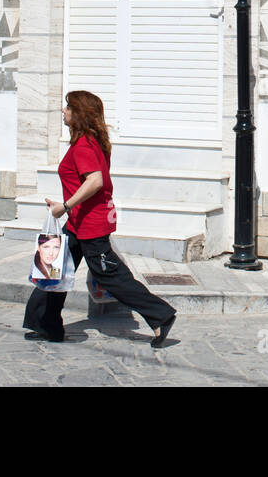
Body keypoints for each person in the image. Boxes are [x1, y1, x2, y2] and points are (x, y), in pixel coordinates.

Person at [22, 90, 177, 347]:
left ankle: (161, 315)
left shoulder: (84, 144)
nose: (63, 110)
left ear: (79, 113)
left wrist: (65, 205)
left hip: (90, 225)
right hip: (77, 222)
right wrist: (65, 206)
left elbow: (95, 181)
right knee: (53, 270)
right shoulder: (92, 141)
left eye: (68, 107)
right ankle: (46, 325)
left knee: (112, 277)